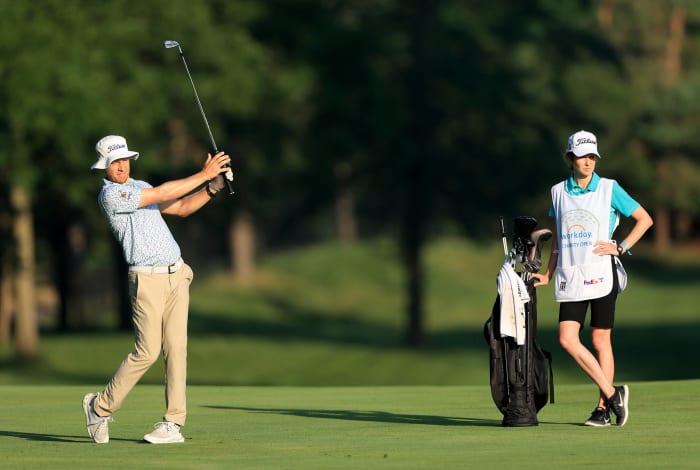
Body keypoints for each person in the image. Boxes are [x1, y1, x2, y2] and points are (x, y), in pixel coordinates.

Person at [83, 135, 232, 444]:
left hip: (176, 274)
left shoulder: (140, 186)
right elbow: (165, 191)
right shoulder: (110, 196)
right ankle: (99, 407)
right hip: (146, 280)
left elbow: (182, 207)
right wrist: (204, 173)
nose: (121, 166)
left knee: (176, 349)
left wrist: (212, 188)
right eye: (115, 162)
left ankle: (173, 424)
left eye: (124, 160)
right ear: (105, 167)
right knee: (147, 352)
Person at [533, 130, 653, 427]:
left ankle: (602, 409)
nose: (587, 162)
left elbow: (645, 219)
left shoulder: (610, 188)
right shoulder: (558, 192)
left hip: (602, 271)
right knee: (567, 339)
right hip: (571, 274)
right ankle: (614, 394)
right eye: (581, 156)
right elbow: (560, 237)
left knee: (600, 339)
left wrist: (622, 247)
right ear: (569, 159)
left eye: (592, 157)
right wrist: (549, 273)